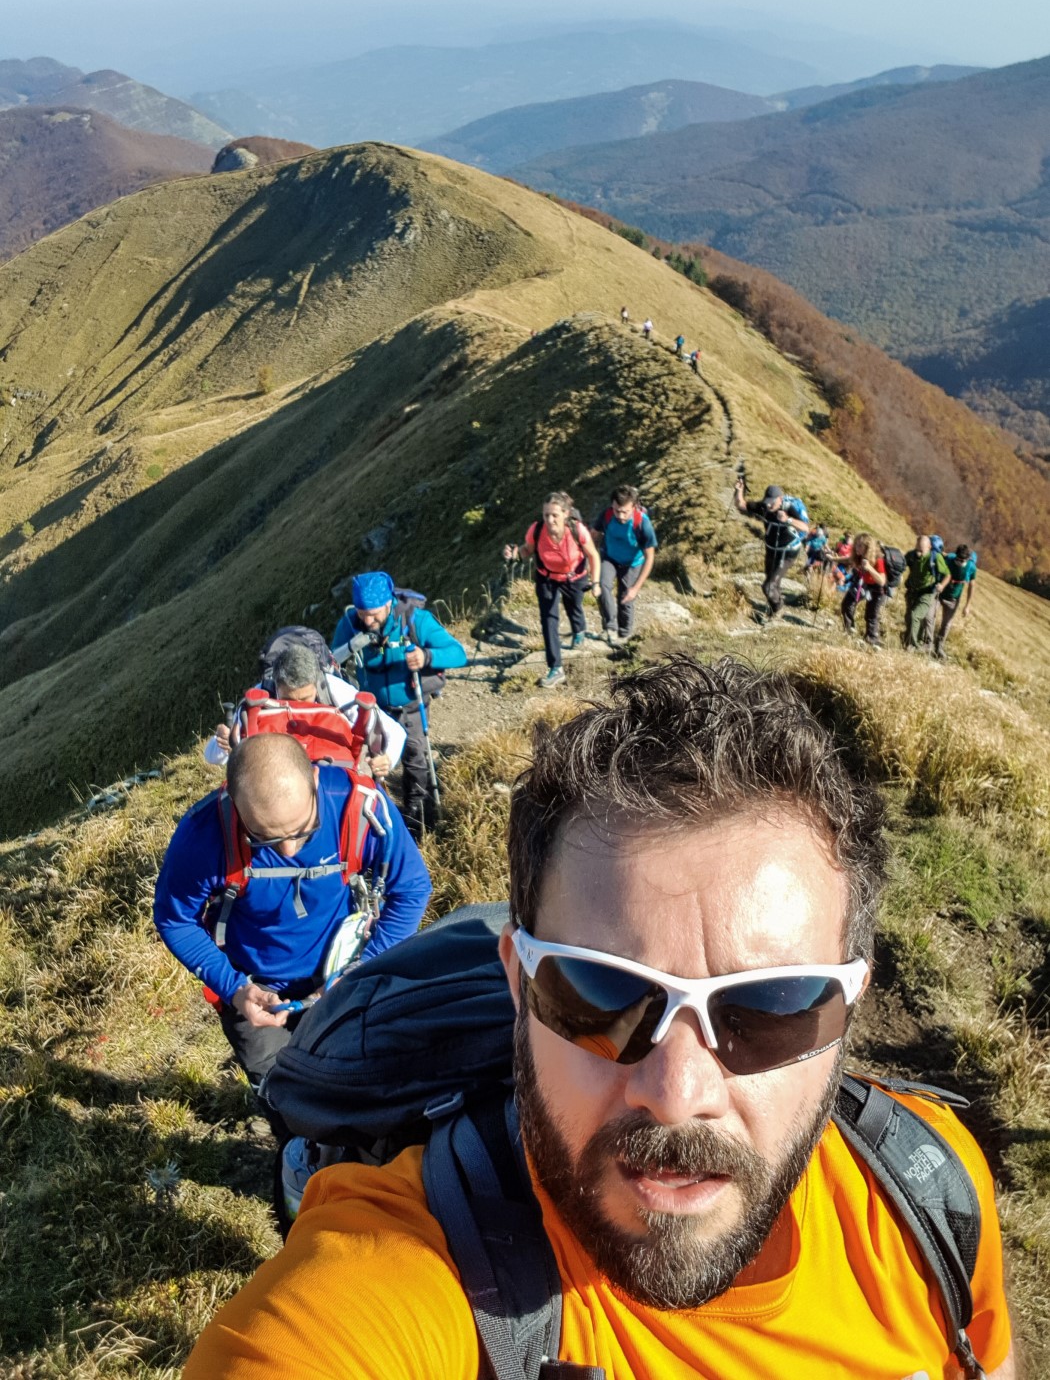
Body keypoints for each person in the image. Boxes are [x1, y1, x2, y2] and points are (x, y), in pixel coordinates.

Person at [185, 657, 1014, 1379]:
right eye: (600, 995)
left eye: (770, 1007)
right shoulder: (412, 1269)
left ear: (849, 1005)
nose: (677, 1091)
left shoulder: (931, 1190)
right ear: (518, 983)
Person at [154, 734, 430, 1108]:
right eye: (264, 837)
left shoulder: (360, 808)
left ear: (315, 780)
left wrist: (363, 967)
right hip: (254, 989)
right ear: (235, 806)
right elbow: (175, 919)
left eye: (303, 830)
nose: (288, 849)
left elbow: (411, 890)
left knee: (359, 1090)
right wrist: (235, 989)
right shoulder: (203, 837)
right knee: (284, 1100)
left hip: (344, 975)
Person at [331, 573, 467, 833]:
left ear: (388, 604)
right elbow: (331, 663)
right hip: (374, 709)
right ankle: (378, 816)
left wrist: (426, 656)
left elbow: (458, 653)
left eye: (373, 614)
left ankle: (418, 819)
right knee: (374, 761)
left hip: (411, 705)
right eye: (362, 613)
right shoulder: (350, 624)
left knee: (415, 757)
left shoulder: (416, 620)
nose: (367, 621)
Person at [204, 642, 405, 778]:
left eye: (305, 698)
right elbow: (211, 757)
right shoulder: (259, 696)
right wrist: (223, 742)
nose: (297, 704)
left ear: (316, 682)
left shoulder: (333, 688)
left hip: (328, 775)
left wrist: (387, 758)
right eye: (289, 699)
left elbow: (395, 731)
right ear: (276, 683)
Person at [504, 492, 602, 688]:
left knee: (574, 606)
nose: (549, 520)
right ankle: (556, 668)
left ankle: (579, 629)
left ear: (565, 514)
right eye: (546, 515)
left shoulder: (577, 530)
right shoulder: (537, 530)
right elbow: (527, 550)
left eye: (554, 515)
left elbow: (593, 555)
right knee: (549, 620)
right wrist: (514, 554)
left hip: (574, 577)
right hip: (547, 578)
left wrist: (596, 582)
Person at [590, 485, 658, 644]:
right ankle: (610, 628)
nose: (620, 515)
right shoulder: (606, 515)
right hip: (610, 558)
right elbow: (594, 535)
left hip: (633, 563)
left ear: (634, 507)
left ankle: (625, 634)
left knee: (625, 598)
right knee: (602, 586)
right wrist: (590, 560)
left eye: (625, 512)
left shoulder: (643, 524)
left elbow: (650, 557)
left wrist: (635, 588)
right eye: (616, 510)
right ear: (612, 506)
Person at [734, 481, 810, 620]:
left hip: (788, 552)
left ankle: (778, 609)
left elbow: (805, 528)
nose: (769, 505)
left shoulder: (789, 508)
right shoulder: (765, 507)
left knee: (768, 586)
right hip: (771, 549)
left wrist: (788, 519)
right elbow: (741, 505)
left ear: (780, 499)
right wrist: (739, 490)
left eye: (772, 502)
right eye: (767, 501)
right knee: (772, 581)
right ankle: (773, 606)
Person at [903, 535, 950, 652]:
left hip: (927, 593)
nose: (918, 553)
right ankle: (910, 640)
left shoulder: (935, 557)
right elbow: (902, 564)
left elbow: (948, 575)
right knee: (909, 618)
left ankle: (913, 645)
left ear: (929, 547)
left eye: (921, 550)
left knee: (915, 616)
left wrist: (942, 585)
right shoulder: (911, 555)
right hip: (912, 592)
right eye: (917, 549)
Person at [840, 533, 887, 648]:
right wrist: (832, 558)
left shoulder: (878, 559)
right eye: (856, 545)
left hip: (878, 589)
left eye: (860, 546)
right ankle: (849, 629)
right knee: (847, 603)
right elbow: (848, 560)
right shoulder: (859, 556)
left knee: (871, 615)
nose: (856, 548)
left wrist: (869, 568)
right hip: (865, 584)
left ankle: (872, 641)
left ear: (867, 547)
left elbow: (882, 581)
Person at [935, 544, 978, 660]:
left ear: (968, 559)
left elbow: (972, 586)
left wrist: (967, 606)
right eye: (957, 559)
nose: (959, 562)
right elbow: (942, 555)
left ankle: (938, 647)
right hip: (939, 594)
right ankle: (926, 641)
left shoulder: (971, 567)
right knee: (930, 616)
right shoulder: (950, 558)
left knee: (946, 624)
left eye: (962, 560)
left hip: (954, 598)